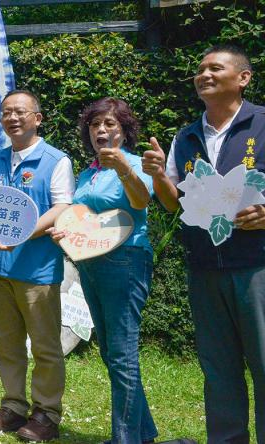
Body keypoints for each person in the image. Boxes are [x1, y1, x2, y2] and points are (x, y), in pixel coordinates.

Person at [142, 44, 265, 443]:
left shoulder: (262, 125)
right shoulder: (186, 136)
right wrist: (158, 175)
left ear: (243, 78)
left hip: (257, 267)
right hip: (205, 268)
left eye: (215, 67)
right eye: (200, 69)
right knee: (219, 368)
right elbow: (172, 202)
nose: (204, 75)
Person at [49, 97, 157, 443]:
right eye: (95, 124)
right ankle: (142, 433)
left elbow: (141, 201)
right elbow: (82, 219)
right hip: (91, 264)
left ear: (124, 131)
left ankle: (125, 438)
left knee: (122, 354)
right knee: (111, 353)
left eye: (110, 123)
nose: (101, 129)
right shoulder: (88, 173)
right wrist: (63, 231)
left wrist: (122, 167)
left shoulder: (137, 164)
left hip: (126, 262)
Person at [0, 90, 75, 442]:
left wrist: (23, 233)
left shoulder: (56, 160)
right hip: (0, 267)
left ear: (38, 118)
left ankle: (46, 414)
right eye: (6, 112)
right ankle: (13, 406)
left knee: (45, 346)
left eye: (20, 111)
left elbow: (62, 207)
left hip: (38, 270)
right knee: (7, 343)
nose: (12, 118)